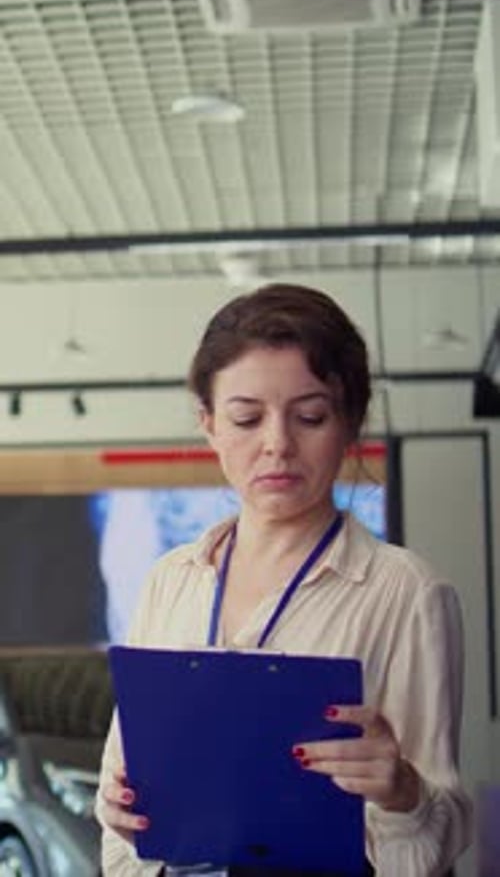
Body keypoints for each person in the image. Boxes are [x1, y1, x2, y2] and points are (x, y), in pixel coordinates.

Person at [96, 283, 473, 877]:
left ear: (350, 423)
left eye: (311, 416)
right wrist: (120, 808)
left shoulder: (405, 592)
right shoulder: (170, 581)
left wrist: (403, 792)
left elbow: (439, 834)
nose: (277, 444)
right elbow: (116, 804)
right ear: (209, 425)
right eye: (246, 418)